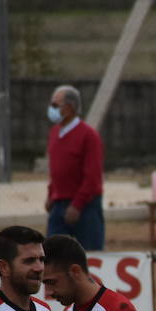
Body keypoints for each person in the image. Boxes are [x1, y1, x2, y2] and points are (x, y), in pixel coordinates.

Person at [44, 86, 105, 252]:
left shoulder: (88, 135)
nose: (51, 109)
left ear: (69, 107)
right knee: (53, 255)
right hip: (58, 204)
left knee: (89, 255)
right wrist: (51, 193)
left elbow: (92, 175)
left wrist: (77, 204)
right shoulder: (55, 132)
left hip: (85, 206)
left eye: (55, 105)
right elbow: (55, 169)